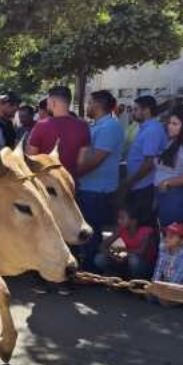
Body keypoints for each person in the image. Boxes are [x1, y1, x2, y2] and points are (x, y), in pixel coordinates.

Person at [77, 90, 125, 271]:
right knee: (88, 228)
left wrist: (74, 174)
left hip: (97, 189)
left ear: (97, 105)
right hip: (89, 186)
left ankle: (91, 269)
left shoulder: (109, 127)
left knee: (91, 230)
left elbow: (97, 159)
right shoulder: (99, 125)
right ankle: (88, 264)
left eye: (89, 103)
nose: (87, 106)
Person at [120, 96, 167, 226]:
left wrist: (130, 181)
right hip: (138, 184)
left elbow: (149, 163)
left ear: (146, 110)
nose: (132, 112)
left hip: (145, 185)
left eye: (135, 109)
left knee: (143, 225)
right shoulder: (143, 128)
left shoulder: (152, 130)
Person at [154, 104, 183, 232]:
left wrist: (167, 182)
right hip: (167, 196)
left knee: (175, 239)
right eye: (169, 123)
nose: (170, 126)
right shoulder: (172, 143)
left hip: (176, 197)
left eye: (175, 124)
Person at [27, 86, 91, 179]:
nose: (47, 103)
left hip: (47, 183)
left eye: (48, 100)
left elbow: (31, 157)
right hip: (70, 183)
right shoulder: (83, 126)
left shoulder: (41, 125)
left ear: (53, 102)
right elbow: (82, 163)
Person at [95, 206, 156, 279]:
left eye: (122, 218)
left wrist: (122, 251)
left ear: (133, 221)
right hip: (127, 261)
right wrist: (113, 256)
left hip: (145, 265)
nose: (118, 221)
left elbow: (141, 252)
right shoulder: (121, 230)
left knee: (134, 260)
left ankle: (138, 281)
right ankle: (117, 275)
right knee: (99, 258)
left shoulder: (147, 231)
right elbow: (102, 246)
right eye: (119, 218)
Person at [153, 222, 183, 289]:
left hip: (182, 290)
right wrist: (154, 285)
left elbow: (178, 278)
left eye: (171, 236)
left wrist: (165, 290)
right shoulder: (163, 250)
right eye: (166, 235)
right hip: (165, 285)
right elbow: (158, 270)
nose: (167, 238)